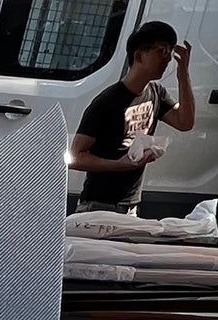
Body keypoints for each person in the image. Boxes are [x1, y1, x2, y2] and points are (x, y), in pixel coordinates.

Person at [70, 20, 195, 212]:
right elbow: (75, 157)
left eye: (170, 51)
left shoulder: (156, 92)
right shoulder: (107, 102)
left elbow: (184, 122)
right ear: (138, 56)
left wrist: (183, 75)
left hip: (131, 206)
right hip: (99, 205)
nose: (167, 58)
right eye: (162, 51)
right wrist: (118, 165)